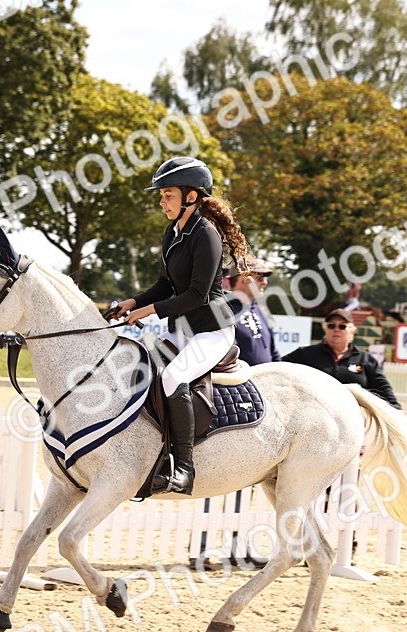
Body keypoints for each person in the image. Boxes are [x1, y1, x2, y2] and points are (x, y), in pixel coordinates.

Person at [108, 156, 246, 495]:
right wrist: (134, 302)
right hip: (181, 328)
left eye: (167, 194)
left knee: (173, 377)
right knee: (140, 371)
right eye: (161, 195)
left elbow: (198, 295)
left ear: (191, 196)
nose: (161, 201)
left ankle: (184, 467)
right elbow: (165, 285)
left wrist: (148, 312)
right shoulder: (173, 232)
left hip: (211, 330)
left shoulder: (206, 235)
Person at [283, 308, 401, 409]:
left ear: (352, 330)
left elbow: (383, 390)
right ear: (325, 329)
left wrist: (397, 411)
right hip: (314, 418)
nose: (336, 329)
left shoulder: (366, 359)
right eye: (331, 325)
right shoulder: (305, 354)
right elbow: (277, 368)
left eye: (342, 326)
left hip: (355, 421)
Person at [225, 258, 280, 365]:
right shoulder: (222, 311)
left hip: (266, 379)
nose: (264, 282)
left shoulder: (262, 310)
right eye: (260, 278)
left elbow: (273, 352)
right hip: (237, 380)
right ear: (243, 279)